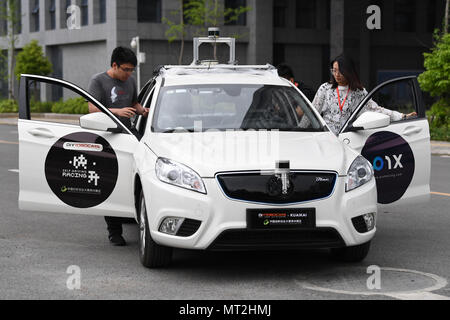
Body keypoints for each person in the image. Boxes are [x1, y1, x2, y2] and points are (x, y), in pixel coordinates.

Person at [87, 46, 149, 246]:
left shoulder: (130, 81)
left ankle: (133, 213)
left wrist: (144, 111)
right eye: (126, 69)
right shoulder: (98, 81)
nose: (129, 74)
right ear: (114, 65)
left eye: (131, 70)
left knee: (134, 177)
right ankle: (114, 232)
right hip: (107, 138)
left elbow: (134, 104)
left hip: (129, 136)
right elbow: (92, 109)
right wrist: (118, 112)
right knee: (110, 183)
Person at [312, 54, 416, 135]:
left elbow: (376, 109)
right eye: (334, 71)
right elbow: (312, 112)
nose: (336, 74)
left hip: (348, 139)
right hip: (327, 138)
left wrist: (402, 116)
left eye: (340, 71)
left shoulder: (359, 92)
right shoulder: (325, 89)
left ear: (348, 71)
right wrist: (299, 130)